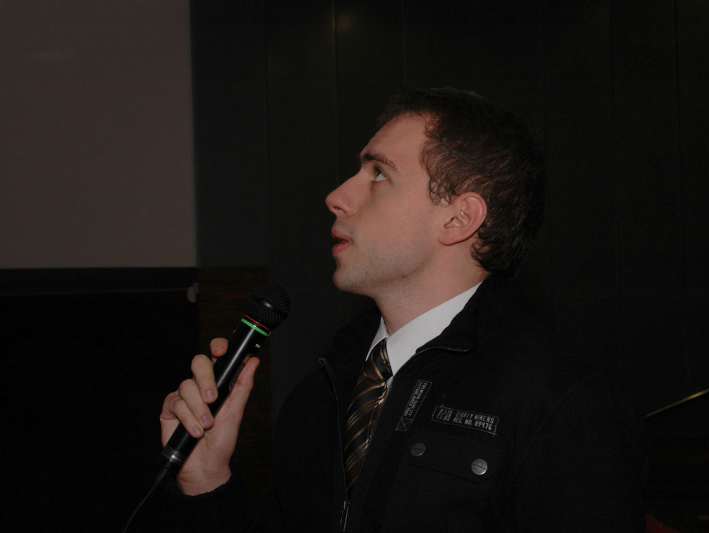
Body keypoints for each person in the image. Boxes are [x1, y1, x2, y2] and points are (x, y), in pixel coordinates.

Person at [145, 88, 643, 532]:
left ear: (459, 218)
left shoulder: (557, 398)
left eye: (379, 174)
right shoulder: (327, 385)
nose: (336, 196)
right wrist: (208, 481)